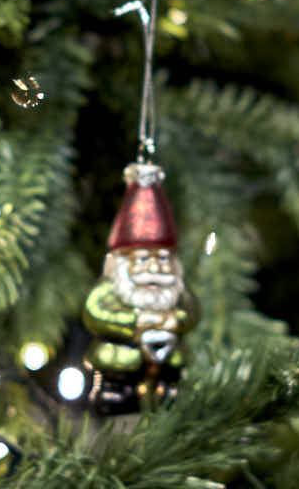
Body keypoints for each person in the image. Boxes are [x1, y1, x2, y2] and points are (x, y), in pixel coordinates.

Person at [83, 161, 199, 413]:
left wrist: (173, 320)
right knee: (116, 364)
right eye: (145, 259)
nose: (156, 269)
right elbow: (94, 312)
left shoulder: (176, 290)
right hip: (121, 354)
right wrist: (136, 322)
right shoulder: (111, 288)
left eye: (164, 259)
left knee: (175, 364)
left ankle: (169, 389)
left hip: (167, 352)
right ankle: (114, 390)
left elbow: (191, 312)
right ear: (123, 264)